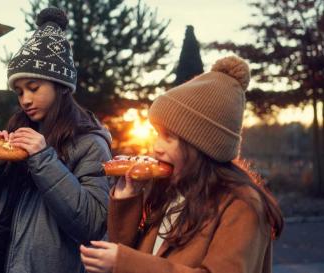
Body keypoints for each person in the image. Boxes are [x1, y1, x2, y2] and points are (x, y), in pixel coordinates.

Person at [80, 56, 284, 273]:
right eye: (157, 134)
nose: (156, 147)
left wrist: (126, 263)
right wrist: (127, 199)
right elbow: (131, 253)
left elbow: (132, 264)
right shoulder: (171, 190)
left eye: (169, 137)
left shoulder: (243, 206)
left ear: (202, 145)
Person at [0, 7, 112, 273]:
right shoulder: (17, 134)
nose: (25, 99)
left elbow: (93, 223)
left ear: (60, 86)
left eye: (34, 87)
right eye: (19, 91)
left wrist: (43, 159)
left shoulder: (90, 143)